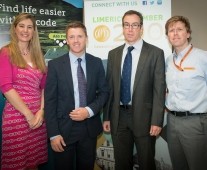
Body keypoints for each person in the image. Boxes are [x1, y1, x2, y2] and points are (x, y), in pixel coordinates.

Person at [103, 10, 166, 170]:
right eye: (126, 25)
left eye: (135, 25)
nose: (130, 29)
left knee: (146, 163)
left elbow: (159, 90)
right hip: (119, 117)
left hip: (145, 118)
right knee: (122, 163)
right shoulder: (113, 54)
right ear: (123, 28)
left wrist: (156, 120)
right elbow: (109, 89)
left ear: (141, 28)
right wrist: (107, 117)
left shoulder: (155, 53)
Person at [44, 21, 109, 170]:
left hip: (89, 128)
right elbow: (50, 101)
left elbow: (104, 92)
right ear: (67, 40)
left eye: (80, 36)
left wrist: (89, 111)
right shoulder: (55, 65)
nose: (76, 40)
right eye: (71, 37)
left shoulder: (96, 63)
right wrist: (53, 134)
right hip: (63, 130)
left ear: (86, 38)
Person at [0, 13, 48, 170]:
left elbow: (44, 87)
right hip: (17, 117)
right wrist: (28, 115)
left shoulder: (38, 55)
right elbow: (6, 87)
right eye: (21, 26)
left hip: (38, 118)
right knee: (16, 164)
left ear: (34, 31)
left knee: (33, 163)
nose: (25, 30)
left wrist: (41, 111)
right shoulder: (6, 52)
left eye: (30, 27)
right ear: (14, 29)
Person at [165, 15, 207, 170]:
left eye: (179, 29)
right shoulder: (168, 61)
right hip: (172, 121)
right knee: (178, 166)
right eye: (171, 30)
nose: (175, 33)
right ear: (168, 35)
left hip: (195, 122)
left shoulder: (203, 58)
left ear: (188, 33)